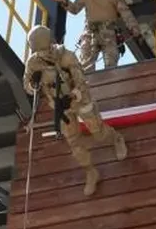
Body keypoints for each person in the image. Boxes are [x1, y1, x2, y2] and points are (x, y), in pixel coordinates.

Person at [22, 25, 127, 197]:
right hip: (59, 107)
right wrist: (33, 84)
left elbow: (81, 80)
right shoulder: (33, 63)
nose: (42, 53)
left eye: (43, 48)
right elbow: (27, 85)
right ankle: (91, 172)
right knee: (74, 144)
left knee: (98, 133)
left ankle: (116, 137)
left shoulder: (66, 56)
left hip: (78, 100)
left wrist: (72, 95)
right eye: (38, 50)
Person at [49, 0, 142, 71]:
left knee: (111, 67)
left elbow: (126, 13)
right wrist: (64, 0)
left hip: (109, 33)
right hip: (89, 34)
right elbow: (75, 9)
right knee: (85, 68)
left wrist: (134, 28)